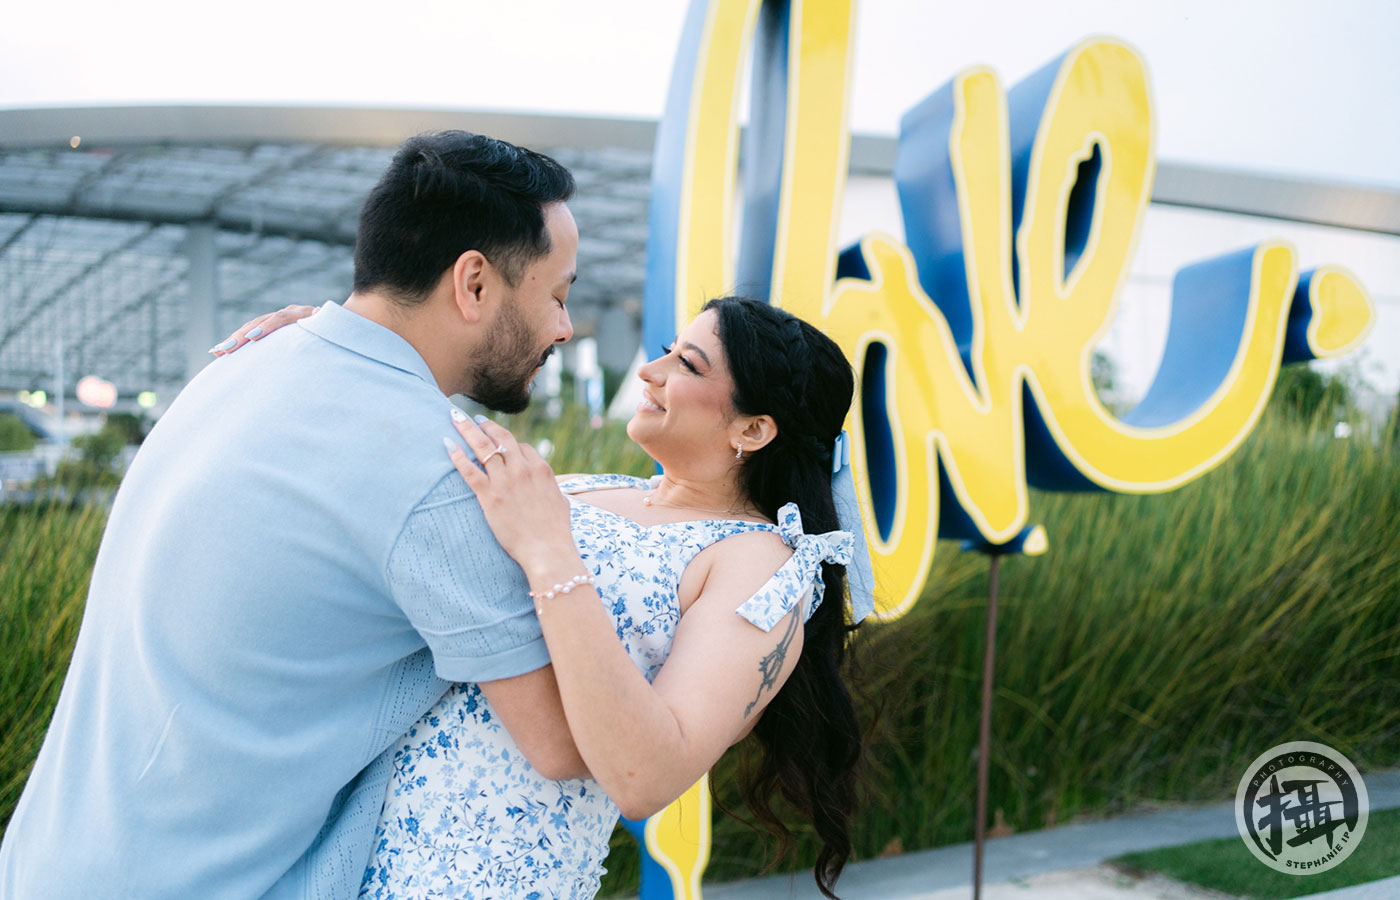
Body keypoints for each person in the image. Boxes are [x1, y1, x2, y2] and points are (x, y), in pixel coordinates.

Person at [0, 131, 590, 900]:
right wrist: (557, 554)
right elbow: (567, 742)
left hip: (46, 868)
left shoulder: (240, 364)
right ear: (473, 283)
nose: (565, 329)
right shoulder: (440, 471)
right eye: (558, 295)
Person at [226, 295, 876, 900]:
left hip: (488, 878)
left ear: (754, 430)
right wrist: (352, 357)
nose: (650, 371)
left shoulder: (765, 565)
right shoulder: (593, 487)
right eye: (670, 348)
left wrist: (549, 552)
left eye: (687, 363)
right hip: (354, 841)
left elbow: (647, 777)